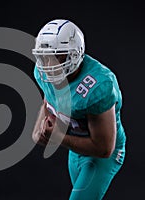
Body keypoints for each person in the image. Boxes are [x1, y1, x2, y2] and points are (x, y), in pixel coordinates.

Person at [31, 19, 126, 200]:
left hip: (102, 156)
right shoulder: (42, 72)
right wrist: (39, 129)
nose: (48, 65)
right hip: (75, 150)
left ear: (74, 55)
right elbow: (48, 100)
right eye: (44, 56)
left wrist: (58, 137)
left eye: (56, 56)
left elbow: (104, 148)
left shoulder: (98, 86)